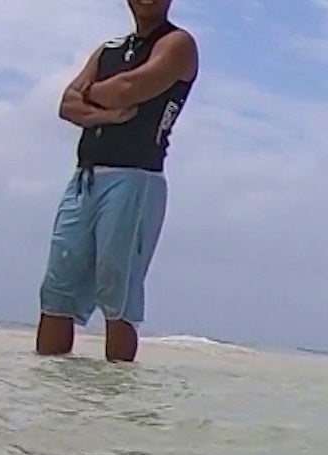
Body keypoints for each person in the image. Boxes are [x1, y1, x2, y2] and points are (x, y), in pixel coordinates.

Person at [34, 0, 199, 364]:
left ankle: (117, 401)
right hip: (85, 177)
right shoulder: (109, 49)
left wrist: (91, 96)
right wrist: (106, 113)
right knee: (57, 290)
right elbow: (66, 104)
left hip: (135, 177)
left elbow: (127, 89)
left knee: (117, 293)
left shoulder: (177, 43)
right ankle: (50, 394)